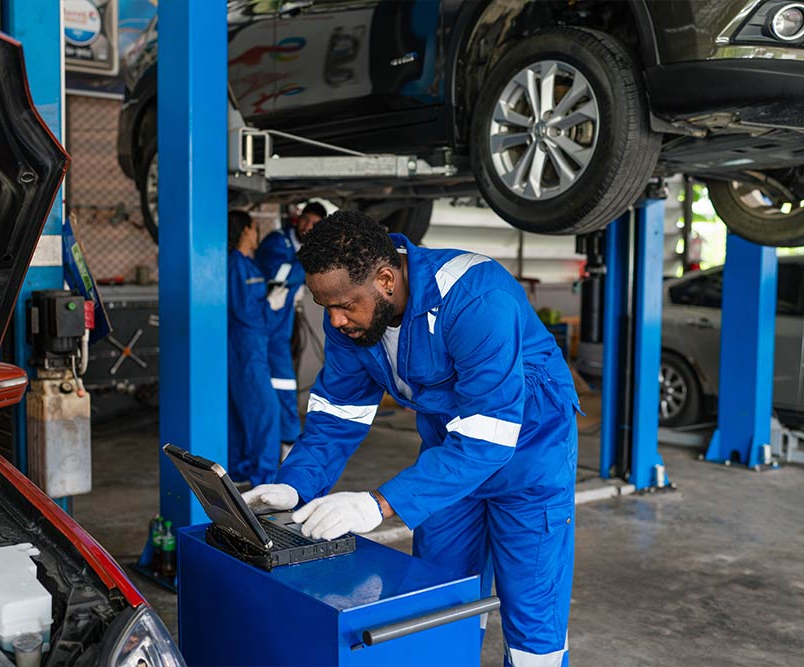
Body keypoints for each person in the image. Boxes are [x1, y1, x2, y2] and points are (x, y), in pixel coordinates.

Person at [243, 211, 579, 667]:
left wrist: (377, 504)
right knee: (439, 598)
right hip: (447, 455)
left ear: (385, 279)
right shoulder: (351, 317)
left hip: (529, 457)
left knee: (531, 614)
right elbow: (338, 414)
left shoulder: (475, 296)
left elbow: (488, 439)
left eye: (344, 305)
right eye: (326, 307)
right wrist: (296, 483)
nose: (336, 321)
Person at [255, 201, 327, 458]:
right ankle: (281, 446)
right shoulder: (278, 242)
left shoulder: (299, 250)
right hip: (259, 331)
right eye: (307, 219)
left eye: (316, 224)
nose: (309, 227)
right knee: (265, 394)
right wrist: (306, 264)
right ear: (298, 218)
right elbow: (280, 273)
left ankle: (287, 446)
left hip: (279, 334)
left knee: (283, 388)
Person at [226, 210, 289, 487]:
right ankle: (263, 478)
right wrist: (270, 305)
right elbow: (246, 311)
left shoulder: (246, 265)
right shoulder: (237, 265)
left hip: (251, 347)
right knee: (266, 411)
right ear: (245, 231)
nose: (256, 234)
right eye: (253, 228)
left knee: (246, 414)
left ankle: (243, 469)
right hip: (246, 349)